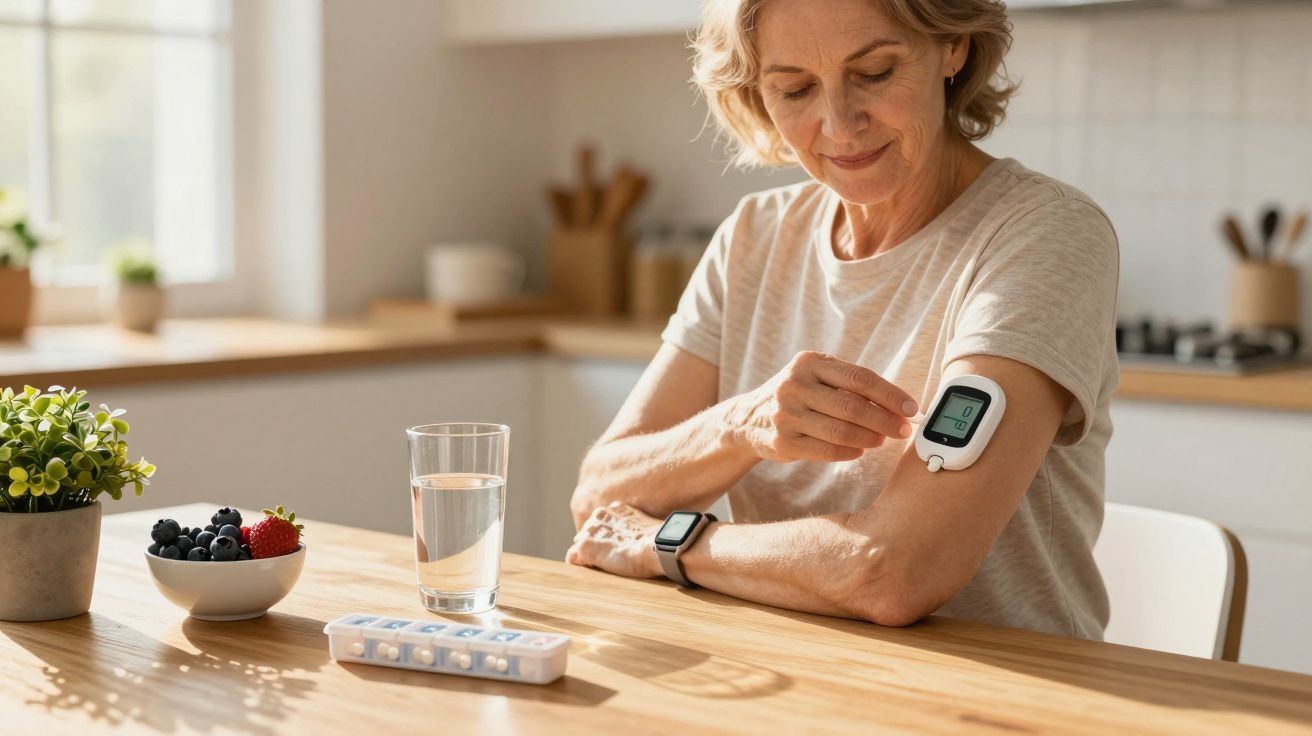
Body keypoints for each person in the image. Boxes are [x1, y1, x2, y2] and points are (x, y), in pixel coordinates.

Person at [566, 0, 1118, 639]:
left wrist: (672, 546)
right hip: (795, 669)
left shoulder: (1043, 235)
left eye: (876, 73)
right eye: (795, 88)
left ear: (954, 45)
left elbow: (894, 572)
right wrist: (740, 425)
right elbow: (598, 500)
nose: (839, 123)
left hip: (1006, 692)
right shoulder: (754, 236)